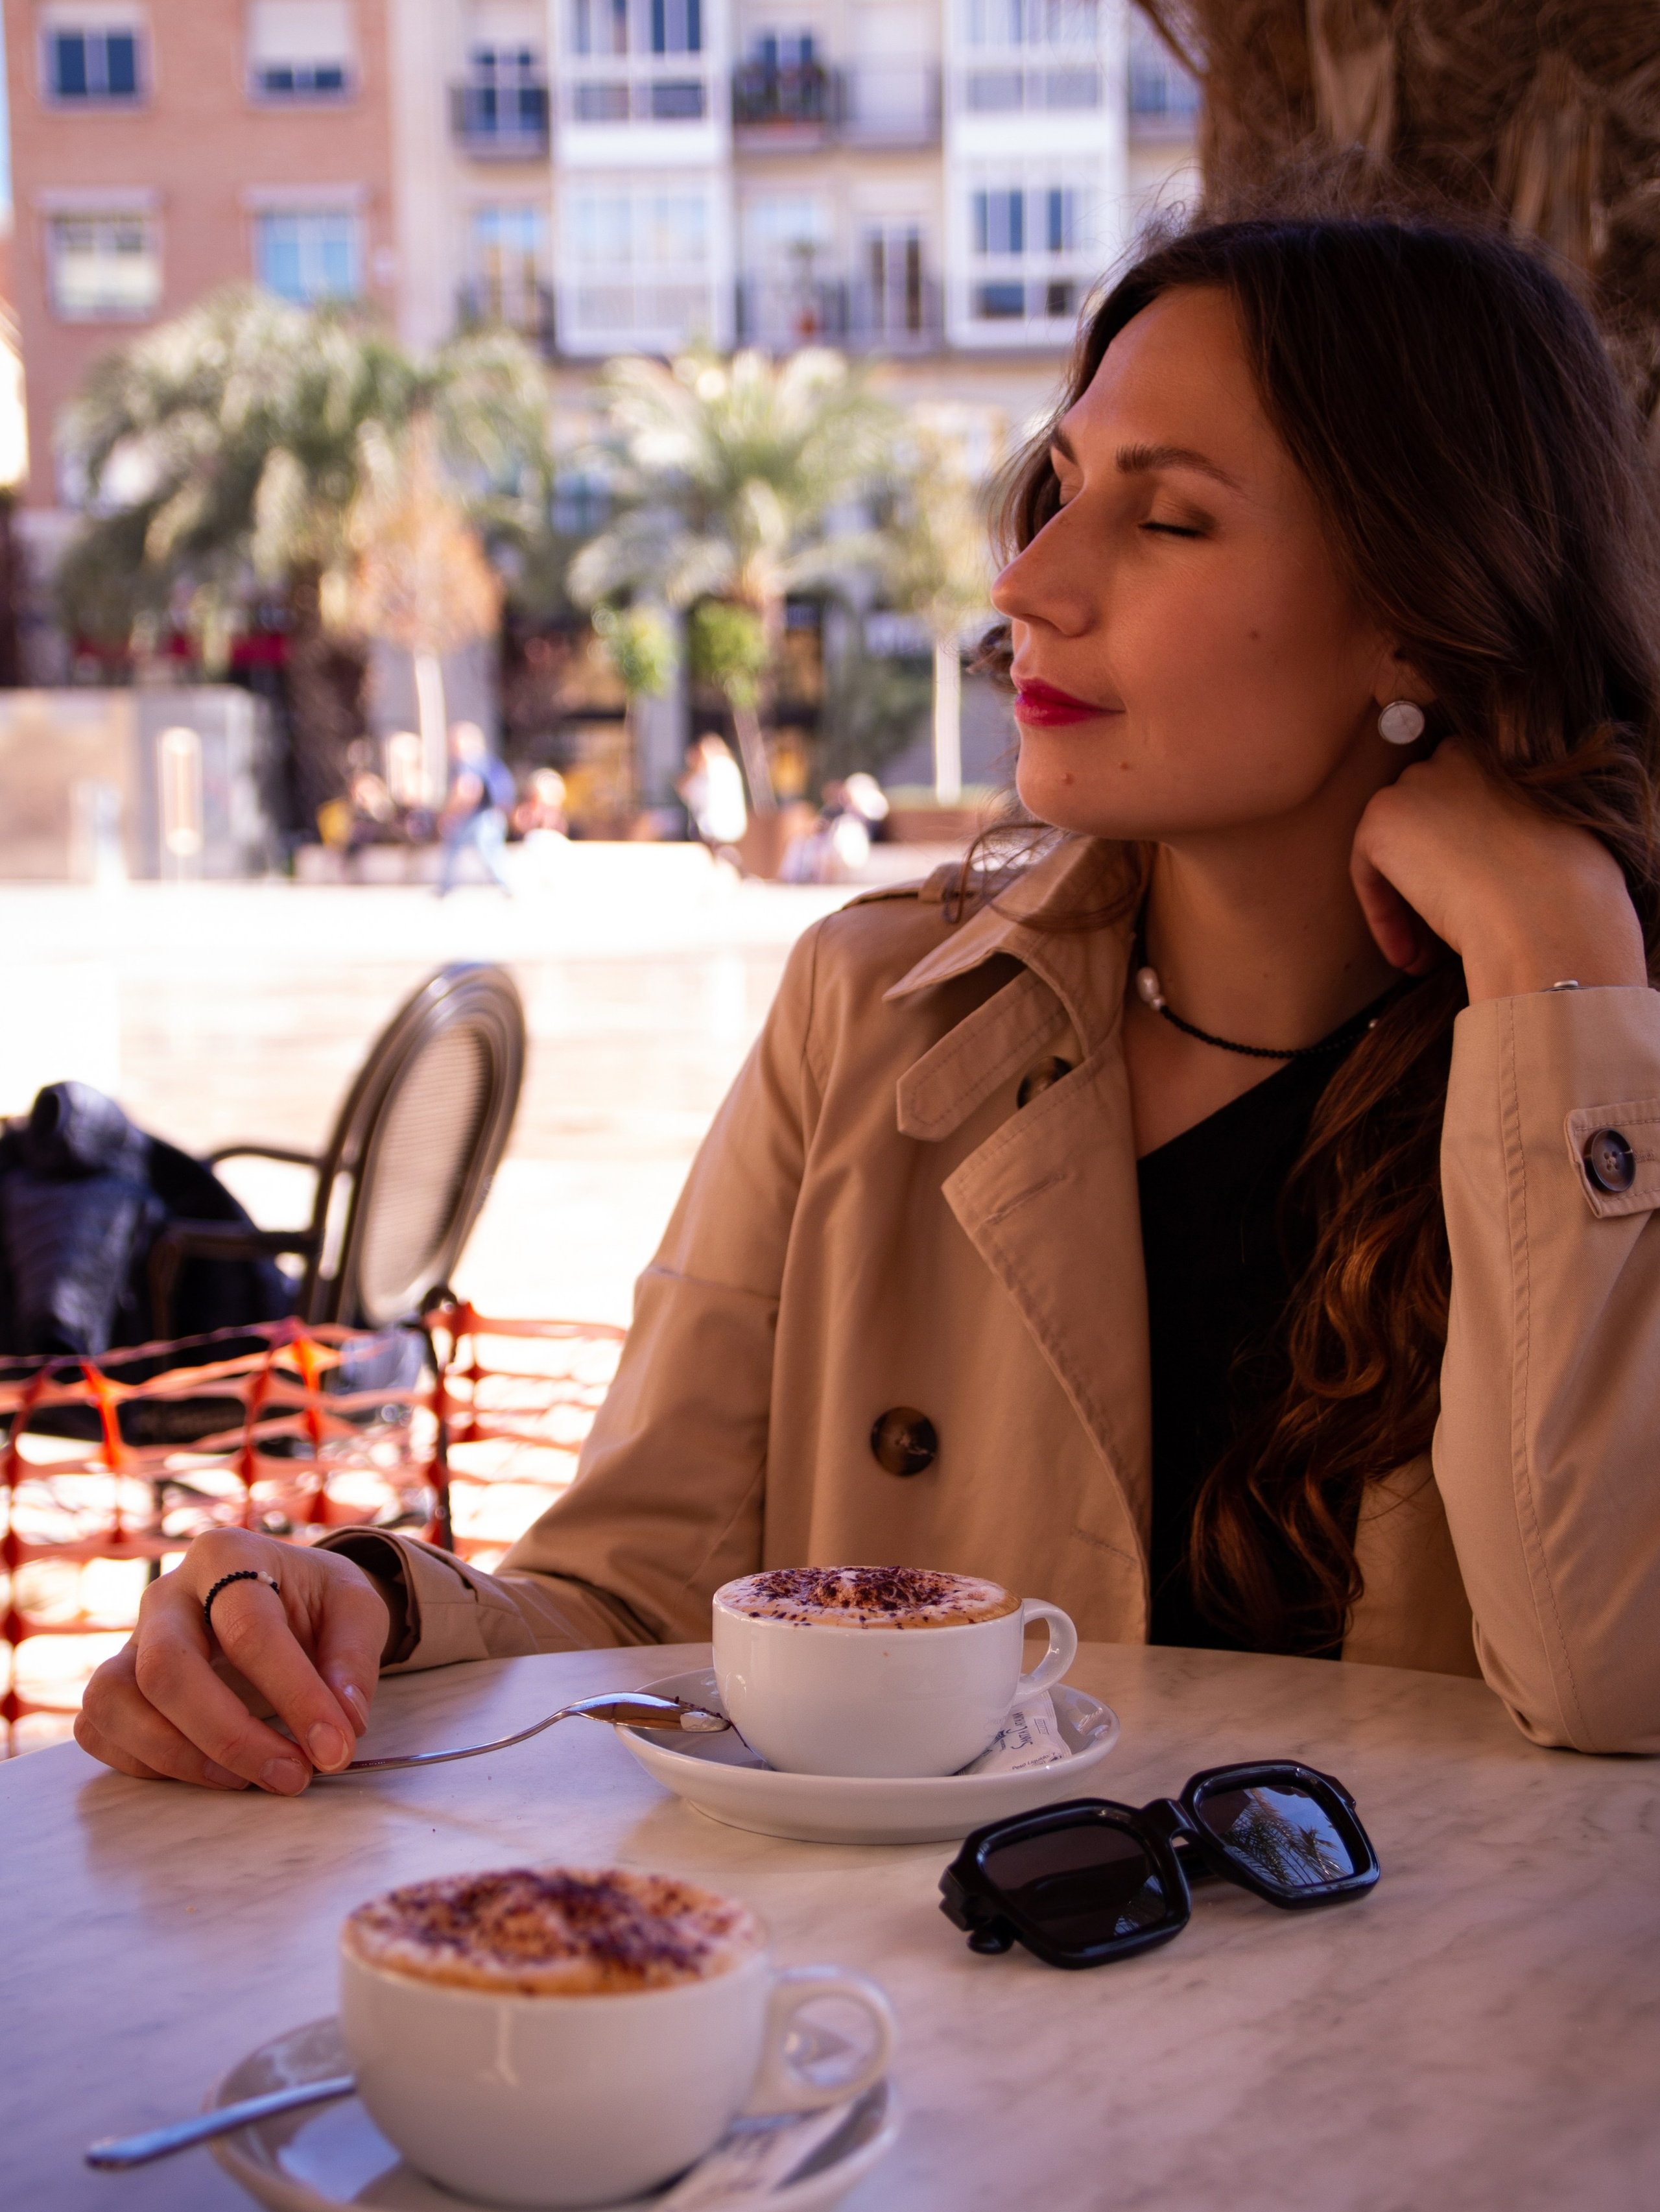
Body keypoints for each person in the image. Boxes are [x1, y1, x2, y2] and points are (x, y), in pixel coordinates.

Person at [77, 211, 1660, 1796]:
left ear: (1423, 601)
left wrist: (1553, 965)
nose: (1027, 580)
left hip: (1434, 2027)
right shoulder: (878, 1012)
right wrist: (347, 1606)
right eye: (1057, 491)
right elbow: (637, 1604)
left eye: (1167, 518)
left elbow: (1611, 1676)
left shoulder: (1610, 1070)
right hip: (928, 2011)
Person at [436, 721, 516, 898]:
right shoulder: (487, 761)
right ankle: (445, 887)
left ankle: (508, 885)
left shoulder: (469, 761)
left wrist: (450, 813)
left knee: (487, 851)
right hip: (491, 815)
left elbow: (467, 790)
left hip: (480, 817)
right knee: (459, 847)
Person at [678, 735, 748, 857]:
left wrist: (696, 767)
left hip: (714, 829)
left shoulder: (716, 767)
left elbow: (685, 789)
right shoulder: (727, 766)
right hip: (727, 829)